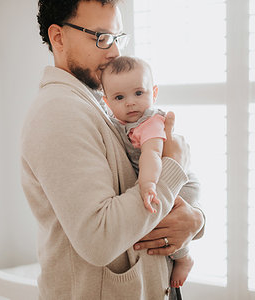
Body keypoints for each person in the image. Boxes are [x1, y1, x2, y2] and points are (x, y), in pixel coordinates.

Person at [21, 0, 205, 299]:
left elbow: (136, 192)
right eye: (101, 37)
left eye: (118, 38)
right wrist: (174, 166)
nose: (115, 51)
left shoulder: (100, 104)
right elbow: (100, 238)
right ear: (58, 37)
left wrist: (193, 220)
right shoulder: (59, 111)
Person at [100, 55, 195, 288]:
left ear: (153, 92)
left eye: (139, 93)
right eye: (120, 97)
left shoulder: (150, 122)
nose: (131, 102)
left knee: (169, 216)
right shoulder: (116, 123)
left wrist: (149, 185)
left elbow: (152, 154)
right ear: (107, 102)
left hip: (178, 181)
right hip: (155, 176)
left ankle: (184, 257)